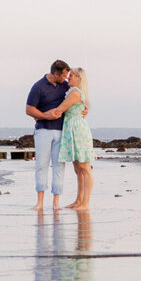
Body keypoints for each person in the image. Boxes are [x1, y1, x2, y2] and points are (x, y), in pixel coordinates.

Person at [46, 67, 94, 210]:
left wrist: (40, 115)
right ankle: (78, 200)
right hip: (71, 129)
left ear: (79, 78)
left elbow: (59, 109)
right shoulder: (73, 92)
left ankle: (85, 203)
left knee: (85, 168)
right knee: (78, 168)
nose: (68, 78)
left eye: (71, 76)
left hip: (78, 130)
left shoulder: (74, 93)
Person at [25, 60, 71, 211]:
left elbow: (76, 98)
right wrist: (46, 116)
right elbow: (29, 110)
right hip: (43, 131)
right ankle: (39, 203)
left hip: (61, 131)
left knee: (59, 166)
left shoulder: (65, 86)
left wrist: (85, 109)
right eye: (63, 75)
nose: (66, 78)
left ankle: (56, 202)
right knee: (41, 165)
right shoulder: (38, 87)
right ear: (55, 74)